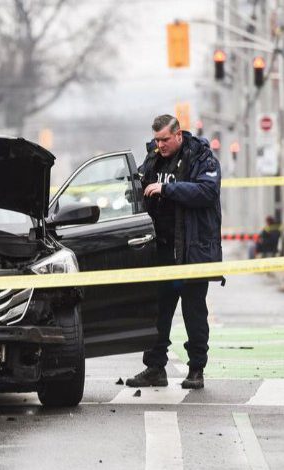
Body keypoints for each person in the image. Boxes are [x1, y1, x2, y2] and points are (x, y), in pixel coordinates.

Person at [126, 114, 222, 390]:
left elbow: (207, 191)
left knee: (194, 313)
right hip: (162, 252)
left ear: (178, 135)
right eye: (157, 140)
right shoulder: (154, 159)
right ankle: (155, 368)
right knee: (159, 312)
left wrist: (167, 189)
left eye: (165, 139)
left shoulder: (201, 156)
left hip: (191, 252)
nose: (160, 145)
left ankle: (196, 370)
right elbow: (140, 188)